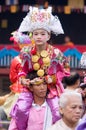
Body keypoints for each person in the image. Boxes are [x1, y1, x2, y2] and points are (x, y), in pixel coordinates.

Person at [9, 6, 70, 130]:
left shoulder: (56, 53)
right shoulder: (26, 52)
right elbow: (23, 71)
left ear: (48, 36)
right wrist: (23, 79)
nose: (39, 37)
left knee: (58, 113)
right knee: (20, 109)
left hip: (51, 88)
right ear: (32, 36)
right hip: (31, 86)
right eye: (36, 34)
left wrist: (52, 79)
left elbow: (66, 70)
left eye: (42, 34)